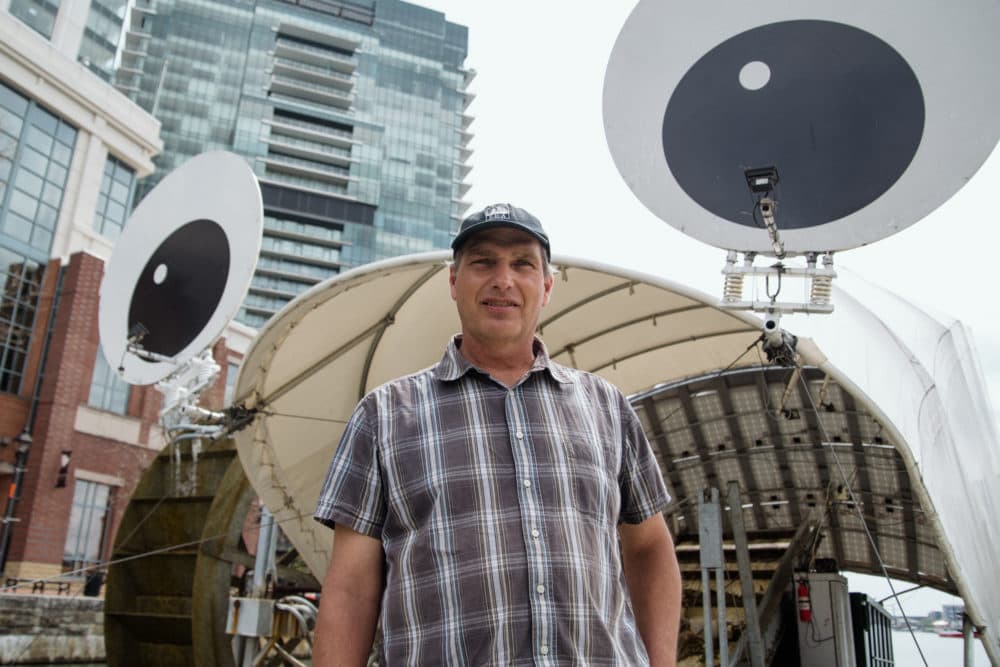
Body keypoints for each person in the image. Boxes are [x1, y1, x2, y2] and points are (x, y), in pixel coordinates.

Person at [313, 203, 682, 666]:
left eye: (522, 264)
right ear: (454, 282)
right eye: (483, 262)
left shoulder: (606, 407)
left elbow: (649, 547)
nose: (502, 279)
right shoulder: (384, 416)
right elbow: (350, 590)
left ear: (546, 287)